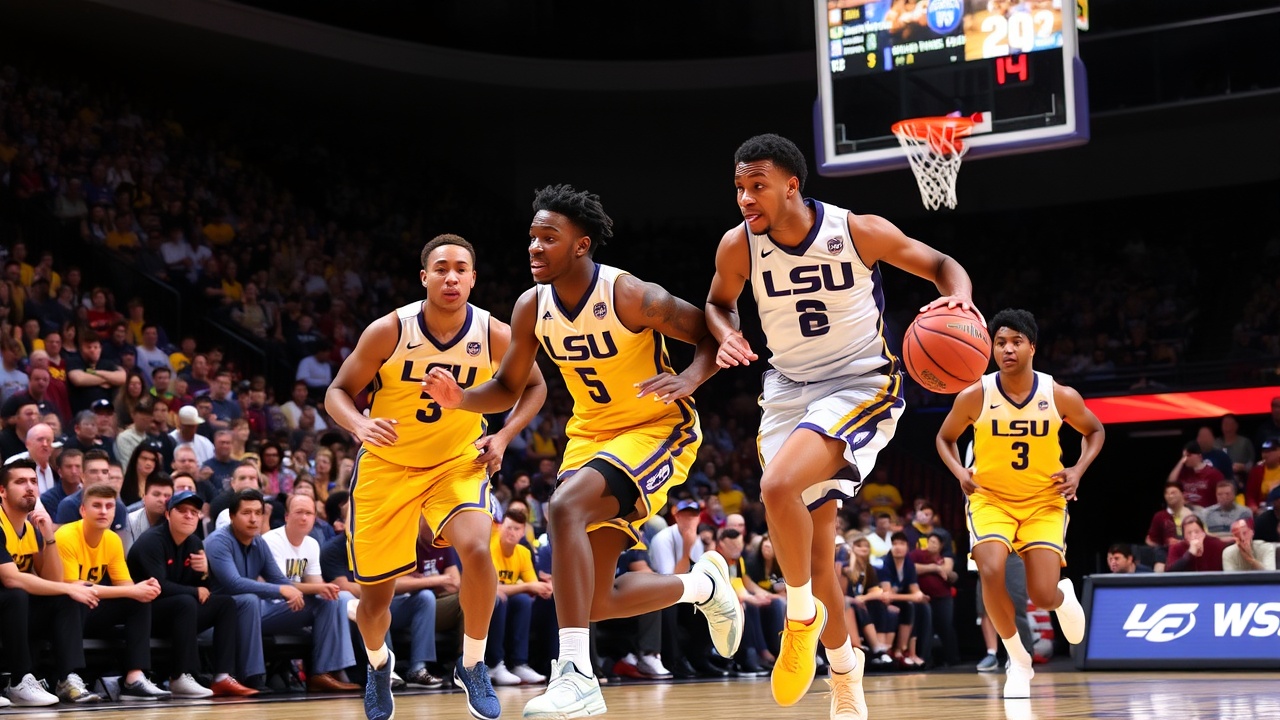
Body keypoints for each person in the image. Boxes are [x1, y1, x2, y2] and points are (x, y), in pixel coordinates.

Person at [423, 186, 743, 720]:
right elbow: (508, 386)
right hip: (590, 436)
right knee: (594, 600)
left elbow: (712, 329)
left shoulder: (629, 294)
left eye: (549, 238)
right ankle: (702, 586)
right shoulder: (532, 305)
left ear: (581, 245)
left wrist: (691, 378)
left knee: (565, 506)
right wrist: (463, 399)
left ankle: (575, 675)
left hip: (654, 427)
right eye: (532, 237)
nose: (535, 247)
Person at [704, 133, 980, 718]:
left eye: (757, 186)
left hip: (858, 384)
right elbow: (718, 302)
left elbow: (941, 265)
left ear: (791, 186)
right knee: (817, 552)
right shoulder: (738, 245)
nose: (745, 198)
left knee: (776, 486)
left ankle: (800, 618)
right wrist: (726, 332)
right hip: (787, 391)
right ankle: (845, 673)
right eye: (739, 187)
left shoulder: (856, 230)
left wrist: (959, 300)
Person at [326, 234, 548, 720]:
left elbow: (534, 385)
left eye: (461, 269)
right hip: (387, 467)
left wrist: (504, 435)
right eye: (442, 268)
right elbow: (337, 390)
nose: (451, 277)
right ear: (424, 276)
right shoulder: (389, 330)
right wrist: (359, 423)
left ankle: (472, 664)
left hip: (455, 463)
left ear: (473, 278)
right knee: (374, 603)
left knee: (477, 550)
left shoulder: (492, 332)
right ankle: (378, 664)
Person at [937, 308, 1103, 699]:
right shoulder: (976, 394)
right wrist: (960, 472)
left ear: (1032, 348)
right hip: (990, 499)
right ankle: (1017, 659)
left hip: (1044, 501)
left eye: (1016, 342)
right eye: (1000, 343)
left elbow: (1094, 430)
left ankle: (1062, 599)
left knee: (1041, 594)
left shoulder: (1058, 394)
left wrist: (1077, 469)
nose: (1007, 349)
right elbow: (945, 438)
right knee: (991, 568)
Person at [126, 490, 258, 697]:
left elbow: (205, 590)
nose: (189, 515)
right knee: (186, 602)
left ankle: (222, 676)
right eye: (182, 511)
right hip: (145, 615)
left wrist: (205, 571)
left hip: (181, 613)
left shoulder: (195, 543)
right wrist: (195, 590)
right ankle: (180, 676)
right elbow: (158, 587)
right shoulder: (151, 541)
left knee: (225, 604)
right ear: (168, 514)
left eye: (194, 512)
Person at [54, 483, 172, 700]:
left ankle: (134, 679)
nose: (103, 511)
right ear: (83, 510)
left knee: (139, 600)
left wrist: (143, 589)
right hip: (64, 613)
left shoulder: (112, 539)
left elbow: (125, 585)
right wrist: (133, 590)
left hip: (92, 610)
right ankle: (68, 678)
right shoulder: (66, 535)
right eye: (97, 505)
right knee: (74, 598)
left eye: (109, 506)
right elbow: (73, 586)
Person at [0, 460, 94, 707]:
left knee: (66, 597)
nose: (29, 487)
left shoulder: (30, 529)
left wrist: (49, 536)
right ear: (2, 491)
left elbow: (52, 580)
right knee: (17, 594)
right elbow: (10, 577)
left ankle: (67, 679)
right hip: (8, 604)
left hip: (13, 612)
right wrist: (68, 586)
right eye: (20, 482)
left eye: (33, 481)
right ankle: (20, 681)